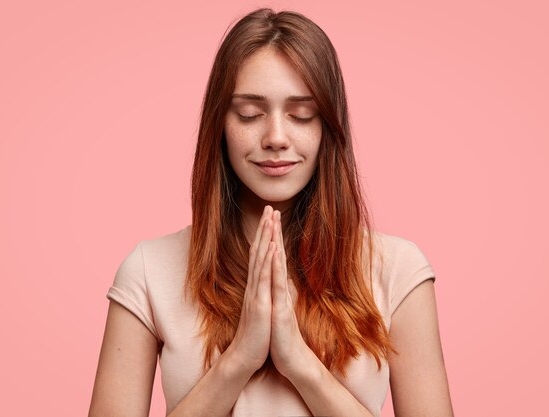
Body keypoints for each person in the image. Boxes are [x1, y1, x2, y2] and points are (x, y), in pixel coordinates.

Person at [88, 7, 454, 417]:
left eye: (301, 115)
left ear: (328, 128)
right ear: (220, 125)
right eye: (250, 114)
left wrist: (299, 363)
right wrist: (239, 359)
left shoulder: (398, 270)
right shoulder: (148, 270)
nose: (276, 137)